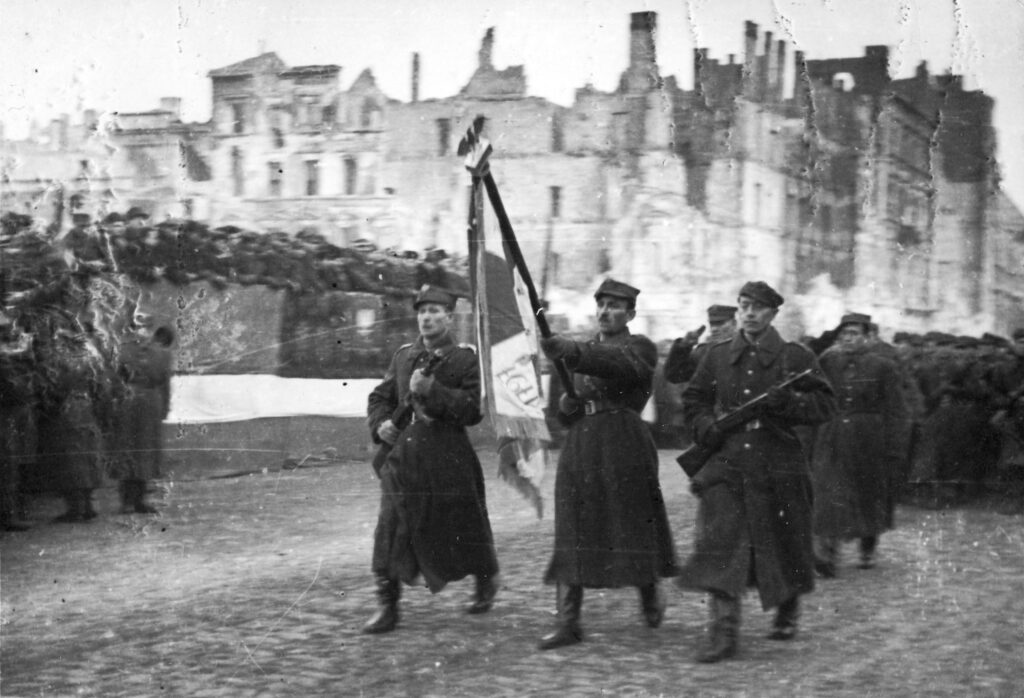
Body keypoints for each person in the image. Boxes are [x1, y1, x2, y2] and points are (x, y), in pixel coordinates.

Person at [679, 281, 836, 663]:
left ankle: (787, 609)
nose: (749, 313)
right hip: (727, 459)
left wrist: (791, 402)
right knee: (721, 543)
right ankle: (723, 633)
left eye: (758, 307)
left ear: (773, 314)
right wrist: (705, 427)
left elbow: (825, 405)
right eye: (744, 305)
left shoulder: (794, 357)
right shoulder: (716, 355)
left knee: (783, 542)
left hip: (777, 460)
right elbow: (695, 399)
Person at [536, 278, 677, 650]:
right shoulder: (578, 350)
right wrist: (566, 410)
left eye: (615, 306)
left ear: (630, 313)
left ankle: (649, 593)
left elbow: (624, 367)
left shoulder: (639, 347)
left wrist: (573, 351)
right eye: (601, 305)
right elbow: (560, 411)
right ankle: (568, 621)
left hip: (624, 440)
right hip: (582, 443)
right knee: (574, 525)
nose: (605, 312)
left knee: (632, 521)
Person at [363, 285, 499, 634]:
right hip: (404, 458)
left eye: (435, 311)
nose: (426, 317)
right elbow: (380, 395)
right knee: (391, 525)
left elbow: (472, 412)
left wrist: (432, 392)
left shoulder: (465, 359)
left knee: (464, 524)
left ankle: (486, 580)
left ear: (449, 318)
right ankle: (388, 605)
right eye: (422, 311)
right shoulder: (404, 356)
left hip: (448, 455)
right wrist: (381, 426)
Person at [811, 313, 907, 576]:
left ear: (867, 337)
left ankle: (868, 545)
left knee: (868, 492)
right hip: (832, 434)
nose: (848, 339)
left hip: (869, 438)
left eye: (853, 333)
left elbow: (895, 408)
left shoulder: (883, 366)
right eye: (843, 334)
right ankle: (827, 553)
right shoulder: (828, 361)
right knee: (828, 491)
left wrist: (895, 445)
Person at [110, 321, 174, 514]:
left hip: (128, 402)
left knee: (129, 450)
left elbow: (113, 380)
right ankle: (139, 500)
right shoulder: (163, 354)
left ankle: (127, 501)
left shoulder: (122, 350)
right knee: (145, 452)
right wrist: (163, 409)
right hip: (150, 404)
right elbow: (165, 384)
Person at [664, 304, 738, 384]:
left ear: (734, 323)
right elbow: (674, 375)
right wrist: (684, 346)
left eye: (720, 323)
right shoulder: (703, 352)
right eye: (712, 324)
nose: (714, 329)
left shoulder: (745, 348)